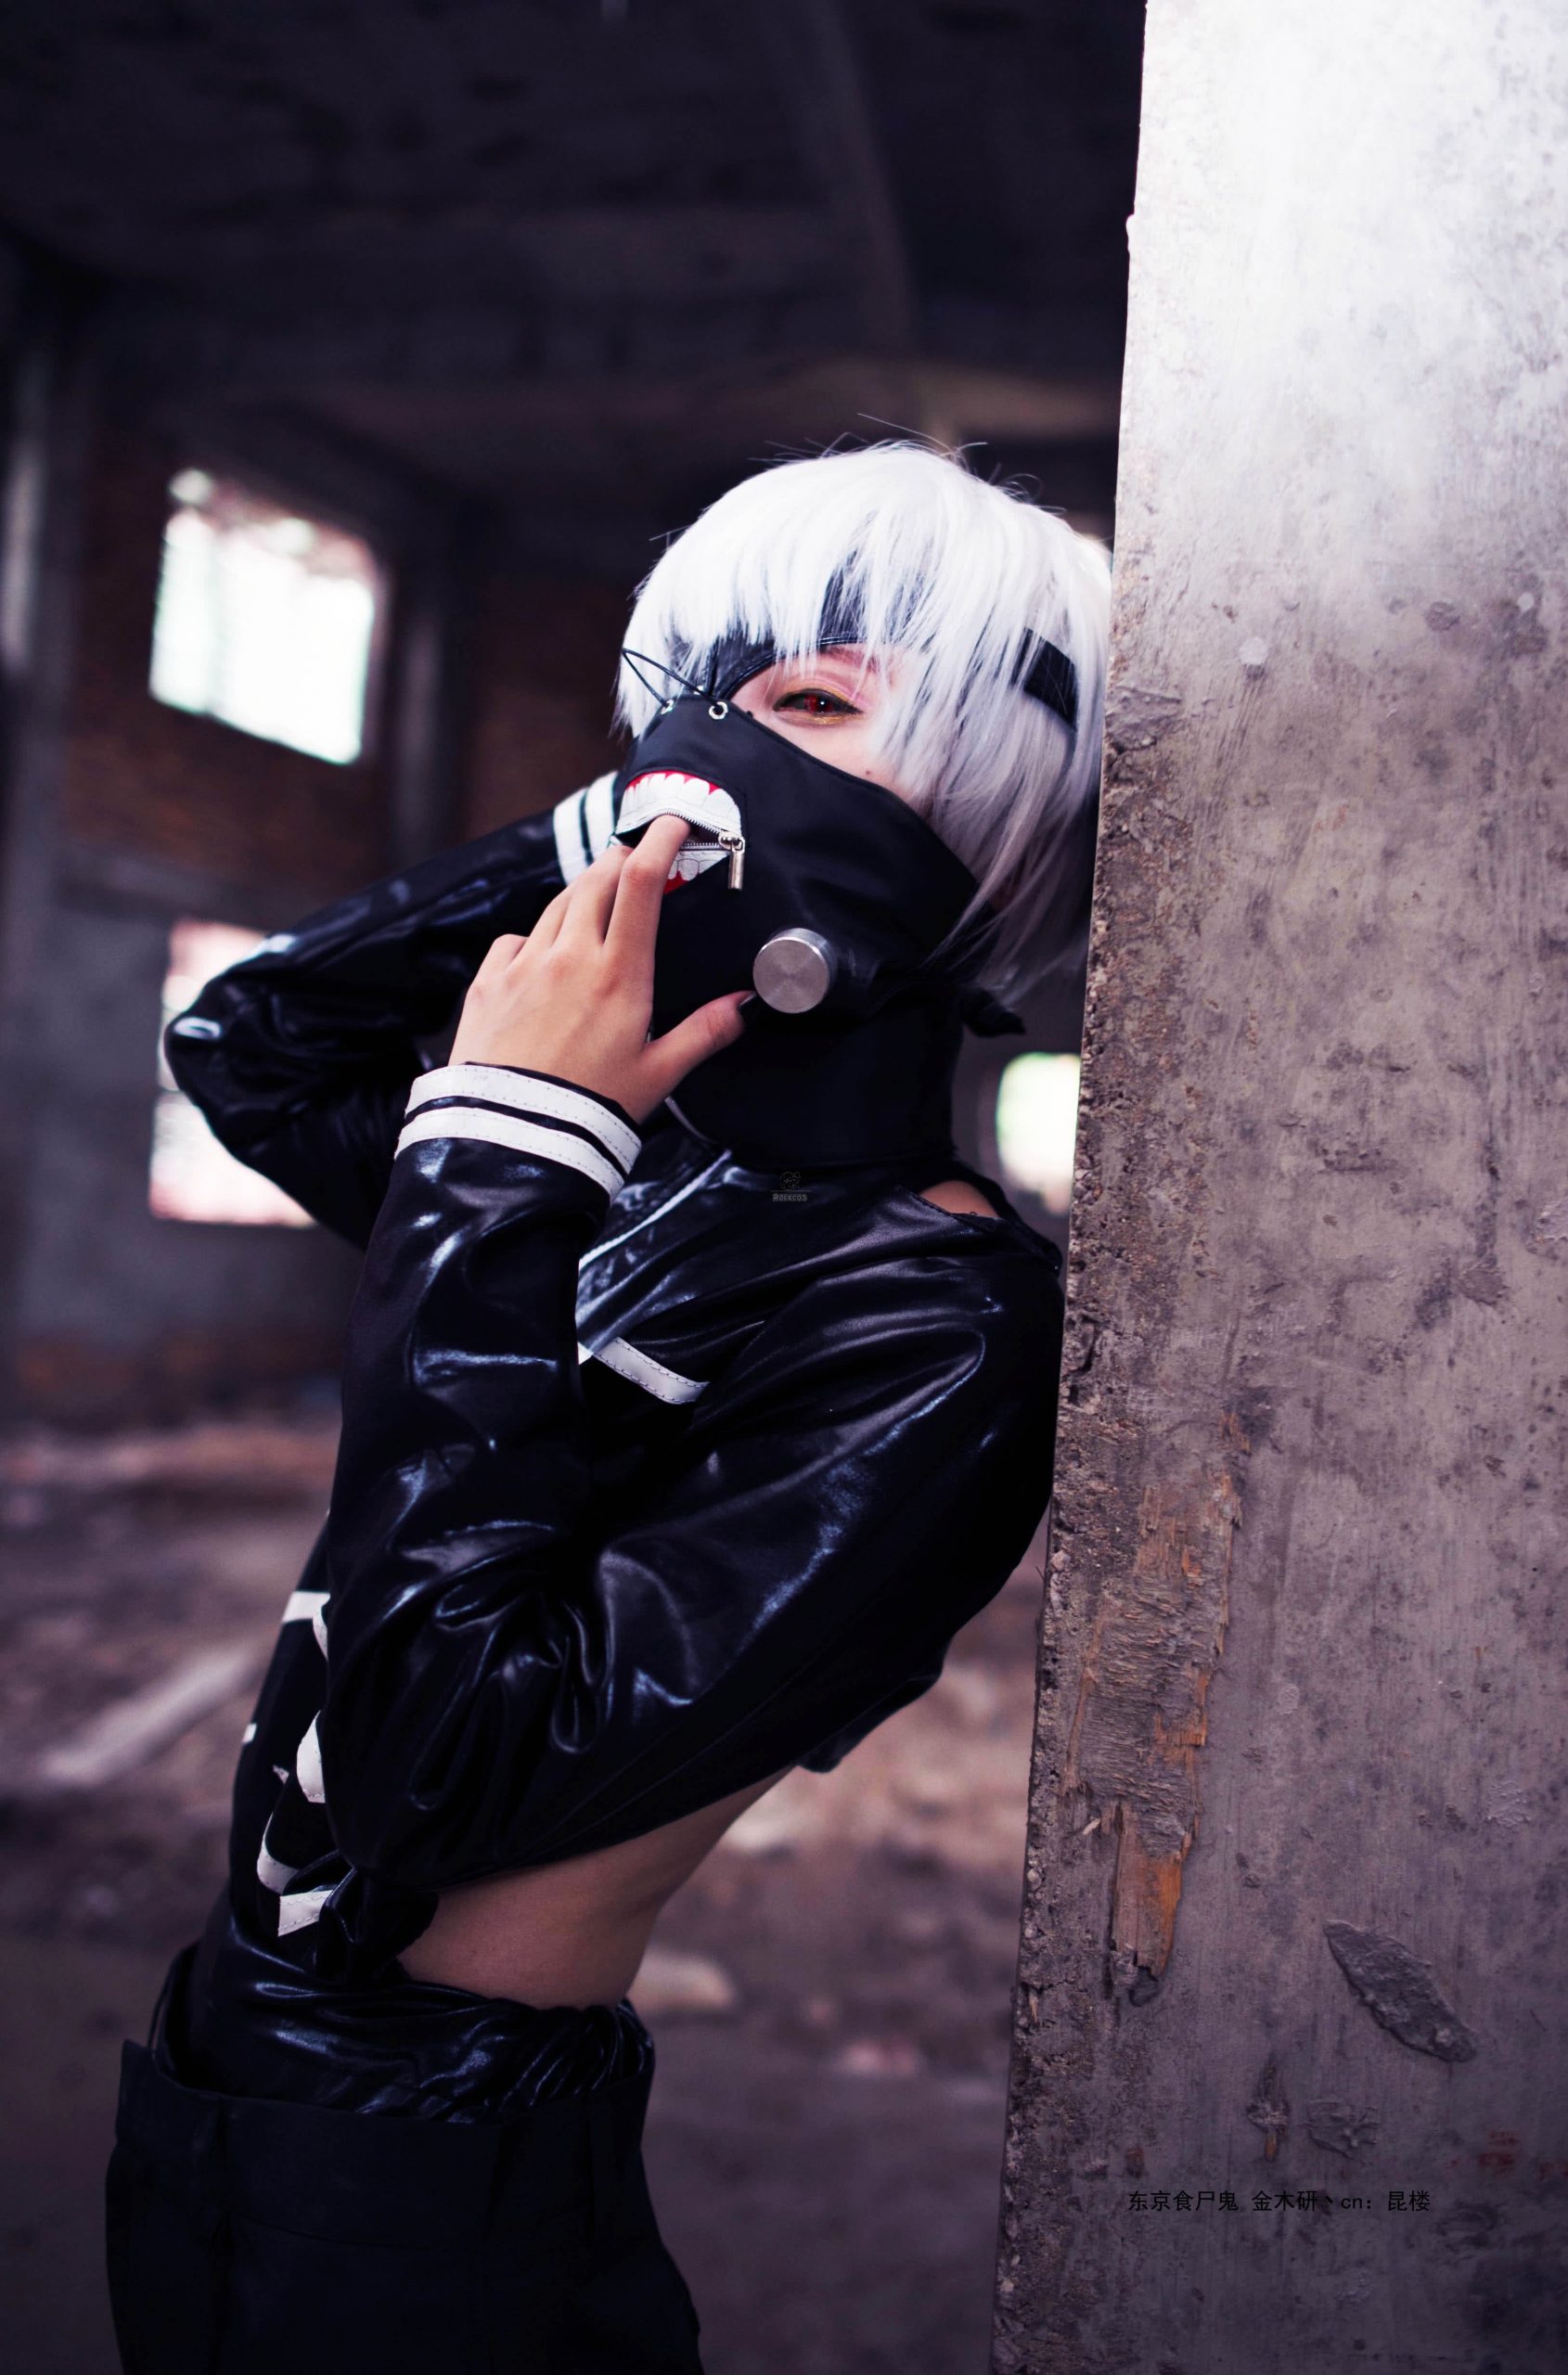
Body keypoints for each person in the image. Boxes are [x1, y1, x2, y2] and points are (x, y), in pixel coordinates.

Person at [105, 442, 1111, 2373]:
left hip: (432, 2161)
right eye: (678, 715)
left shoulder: (940, 1324)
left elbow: (436, 1759)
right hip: (225, 2068)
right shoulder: (639, 1183)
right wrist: (611, 841)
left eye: (804, 710)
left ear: (990, 815)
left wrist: (504, 1151)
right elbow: (252, 1039)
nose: (701, 768)